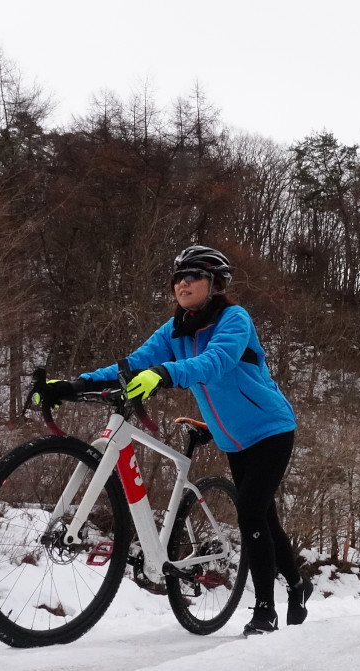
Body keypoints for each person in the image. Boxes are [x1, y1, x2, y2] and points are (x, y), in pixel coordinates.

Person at [35, 245, 312, 635]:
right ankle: (298, 584)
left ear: (213, 283)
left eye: (192, 275)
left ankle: (265, 609)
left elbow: (216, 360)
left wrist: (164, 374)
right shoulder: (175, 330)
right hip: (233, 440)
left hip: (270, 429)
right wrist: (75, 383)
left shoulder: (234, 319)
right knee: (263, 516)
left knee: (251, 512)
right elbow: (130, 365)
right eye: (177, 277)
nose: (182, 283)